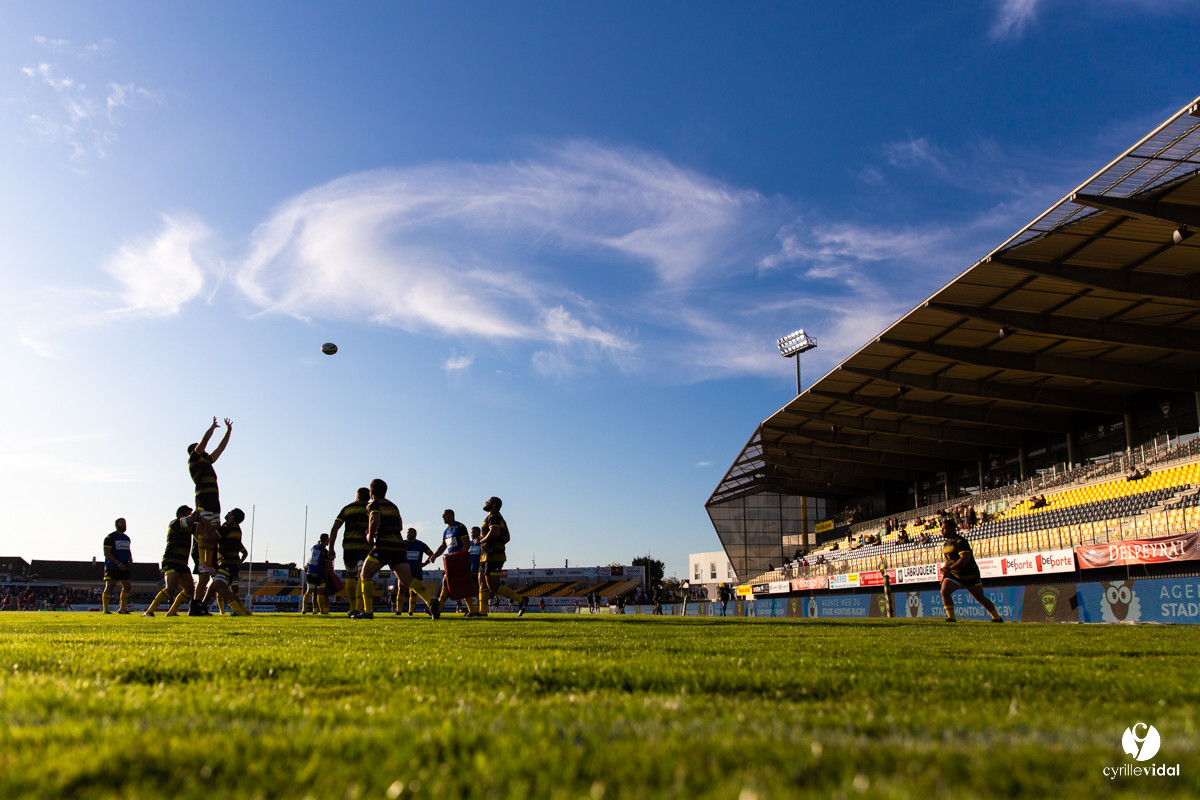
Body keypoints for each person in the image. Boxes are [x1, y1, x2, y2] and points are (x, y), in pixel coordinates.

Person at [354, 479, 437, 620]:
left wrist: (370, 536)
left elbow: (375, 517)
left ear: (371, 492)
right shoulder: (393, 506)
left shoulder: (372, 505)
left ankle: (367, 611)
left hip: (383, 546)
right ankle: (431, 602)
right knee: (407, 580)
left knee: (365, 575)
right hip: (398, 546)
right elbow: (400, 526)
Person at [187, 417, 232, 571]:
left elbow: (220, 449)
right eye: (201, 449)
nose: (205, 451)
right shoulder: (194, 460)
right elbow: (205, 441)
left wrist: (228, 432)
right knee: (204, 530)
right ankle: (202, 563)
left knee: (213, 531)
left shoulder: (207, 461)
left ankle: (209, 563)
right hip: (203, 497)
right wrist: (212, 427)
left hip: (214, 499)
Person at [940, 513, 1003, 623]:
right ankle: (951, 618)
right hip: (955, 574)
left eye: (944, 529)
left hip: (970, 574)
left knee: (980, 598)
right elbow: (948, 560)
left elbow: (965, 558)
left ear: (951, 529)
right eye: (941, 529)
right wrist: (944, 573)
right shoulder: (946, 544)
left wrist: (950, 568)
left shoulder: (960, 541)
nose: (942, 531)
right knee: (944, 591)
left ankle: (997, 617)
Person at [477, 496, 529, 617]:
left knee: (493, 586)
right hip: (485, 555)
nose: (486, 502)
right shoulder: (496, 518)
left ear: (494, 504)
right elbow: (507, 537)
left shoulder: (494, 517)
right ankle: (482, 612)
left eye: (488, 501)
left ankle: (521, 600)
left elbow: (494, 531)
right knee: (482, 583)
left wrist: (483, 541)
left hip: (493, 556)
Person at [143, 505, 199, 617]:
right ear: (180, 515)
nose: (191, 517)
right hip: (171, 560)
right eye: (188, 515)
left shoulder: (190, 526)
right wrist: (200, 509)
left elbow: (199, 535)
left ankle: (172, 612)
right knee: (171, 587)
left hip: (183, 563)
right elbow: (193, 519)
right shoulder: (175, 523)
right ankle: (149, 611)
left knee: (190, 589)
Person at [198, 508, 252, 616]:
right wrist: (239, 562)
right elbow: (244, 552)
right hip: (232, 564)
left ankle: (237, 610)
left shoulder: (228, 527)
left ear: (232, 517)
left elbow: (208, 538)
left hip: (228, 563)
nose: (227, 513)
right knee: (218, 585)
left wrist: (204, 526)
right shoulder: (235, 528)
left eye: (230, 512)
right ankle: (245, 611)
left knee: (219, 585)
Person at [429, 510, 480, 616]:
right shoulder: (446, 531)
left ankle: (437, 609)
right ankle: (437, 609)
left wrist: (459, 559)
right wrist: (435, 555)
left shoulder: (460, 527)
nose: (443, 517)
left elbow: (466, 545)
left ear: (451, 515)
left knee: (458, 583)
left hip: (459, 561)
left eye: (444, 515)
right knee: (448, 583)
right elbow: (443, 546)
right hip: (450, 562)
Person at [329, 487, 370, 616]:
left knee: (350, 574)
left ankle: (352, 608)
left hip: (349, 546)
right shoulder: (371, 508)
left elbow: (334, 529)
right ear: (369, 496)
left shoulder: (347, 508)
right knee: (363, 575)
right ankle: (359, 608)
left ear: (357, 495)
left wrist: (331, 548)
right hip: (365, 546)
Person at [102, 518, 134, 614]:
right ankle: (106, 610)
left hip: (124, 566)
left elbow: (128, 549)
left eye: (125, 523)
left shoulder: (127, 538)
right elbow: (107, 553)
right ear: (117, 525)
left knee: (127, 586)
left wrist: (130, 557)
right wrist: (118, 563)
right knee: (110, 586)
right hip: (112, 566)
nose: (124, 524)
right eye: (122, 522)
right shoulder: (110, 537)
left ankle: (122, 609)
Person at [402, 528, 436, 615]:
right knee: (401, 589)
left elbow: (431, 554)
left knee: (413, 592)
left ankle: (410, 612)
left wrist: (425, 563)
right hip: (405, 571)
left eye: (411, 532)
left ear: (415, 534)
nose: (409, 534)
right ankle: (398, 611)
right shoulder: (402, 544)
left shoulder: (421, 544)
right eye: (408, 532)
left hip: (416, 571)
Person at [304, 534, 332, 615]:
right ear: (326, 540)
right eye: (328, 539)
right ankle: (323, 610)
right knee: (321, 592)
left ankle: (304, 610)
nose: (329, 541)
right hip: (319, 572)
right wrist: (326, 576)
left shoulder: (314, 547)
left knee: (309, 591)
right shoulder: (324, 551)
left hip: (310, 572)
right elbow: (326, 565)